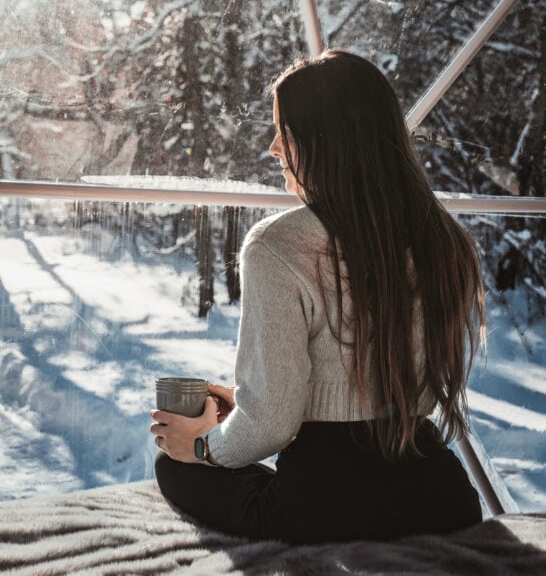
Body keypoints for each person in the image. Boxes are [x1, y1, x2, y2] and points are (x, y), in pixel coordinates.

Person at [150, 49, 485, 544]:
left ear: (326, 140)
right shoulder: (445, 237)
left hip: (329, 505)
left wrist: (198, 447)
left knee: (171, 467)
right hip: (442, 495)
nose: (272, 148)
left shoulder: (277, 244)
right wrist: (246, 405)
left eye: (284, 132)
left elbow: (270, 424)